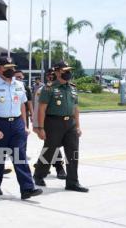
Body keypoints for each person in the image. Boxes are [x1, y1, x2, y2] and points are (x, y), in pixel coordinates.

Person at [0, 57, 42, 200]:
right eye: (6, 67)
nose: (11, 70)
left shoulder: (19, 85)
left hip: (17, 124)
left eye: (12, 67)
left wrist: (24, 125)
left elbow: (22, 104)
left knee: (20, 155)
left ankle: (27, 188)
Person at [33, 61, 89, 193]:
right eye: (65, 71)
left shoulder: (73, 88)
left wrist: (78, 126)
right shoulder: (49, 88)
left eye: (69, 70)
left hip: (70, 124)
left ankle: (72, 182)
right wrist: (40, 128)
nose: (68, 73)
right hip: (53, 123)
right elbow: (41, 109)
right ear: (57, 72)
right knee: (49, 151)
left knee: (73, 153)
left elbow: (75, 108)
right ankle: (39, 174)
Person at [32, 68, 66, 179]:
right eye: (49, 75)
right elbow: (37, 109)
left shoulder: (63, 88)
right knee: (53, 146)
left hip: (61, 123)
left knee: (50, 147)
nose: (51, 77)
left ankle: (41, 166)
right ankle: (59, 168)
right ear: (46, 77)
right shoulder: (42, 90)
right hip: (46, 124)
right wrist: (37, 126)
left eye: (53, 75)